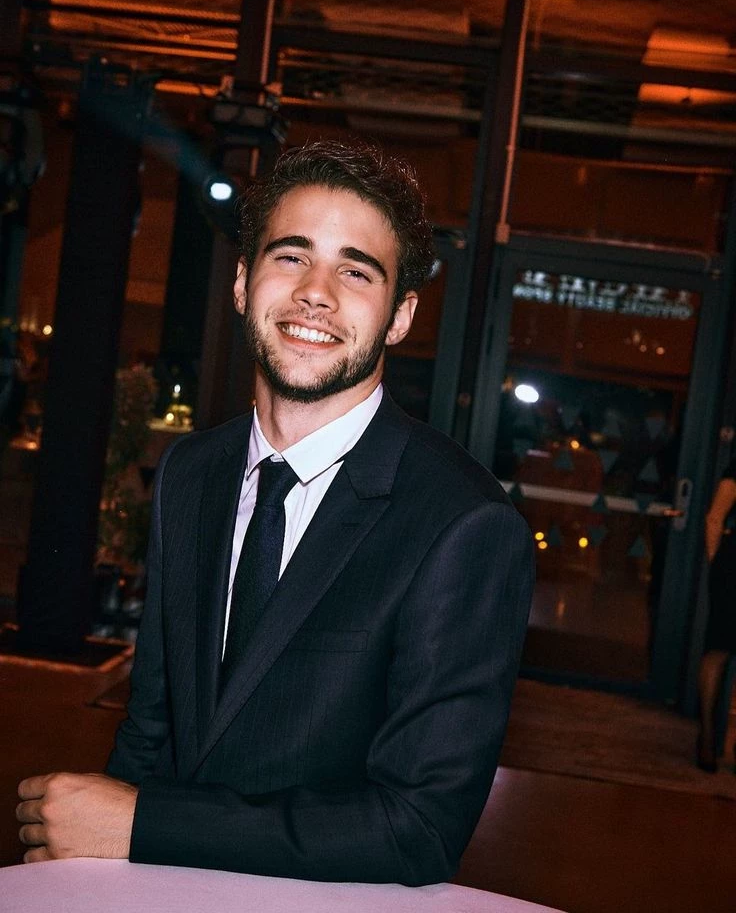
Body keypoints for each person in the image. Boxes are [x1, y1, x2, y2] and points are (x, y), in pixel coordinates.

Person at [16, 140, 534, 884]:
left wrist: (145, 825)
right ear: (241, 282)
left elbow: (420, 829)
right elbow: (152, 727)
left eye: (356, 271)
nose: (316, 292)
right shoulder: (191, 473)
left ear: (400, 316)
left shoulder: (465, 524)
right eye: (291, 256)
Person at [697, 456, 736, 772]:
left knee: (718, 651)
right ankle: (708, 737)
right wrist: (718, 567)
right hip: (733, 569)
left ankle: (712, 740)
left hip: (729, 568)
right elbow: (714, 518)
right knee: (719, 650)